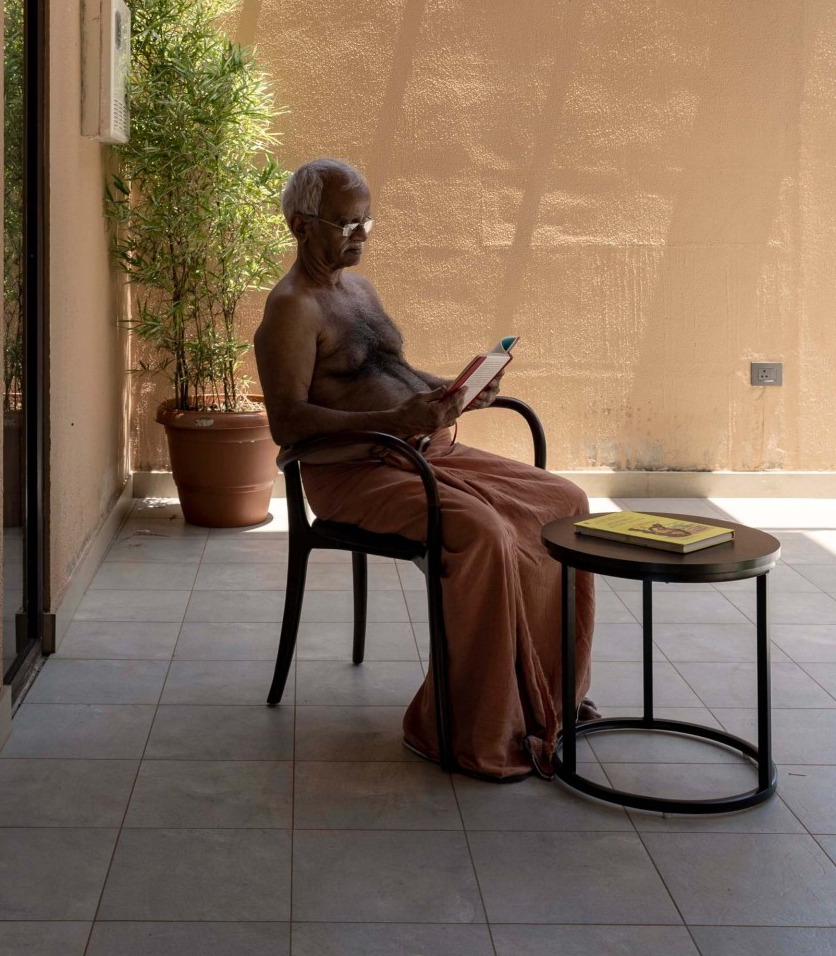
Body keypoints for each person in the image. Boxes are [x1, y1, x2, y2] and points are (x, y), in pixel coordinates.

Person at [253, 157, 595, 781]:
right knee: (483, 535)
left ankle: (546, 696)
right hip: (355, 473)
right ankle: (468, 726)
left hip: (423, 449)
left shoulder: (360, 290)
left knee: (564, 502)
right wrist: (395, 420)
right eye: (346, 223)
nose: (361, 234)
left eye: (367, 221)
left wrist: (456, 392)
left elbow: (389, 375)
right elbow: (288, 423)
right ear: (301, 226)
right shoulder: (291, 309)